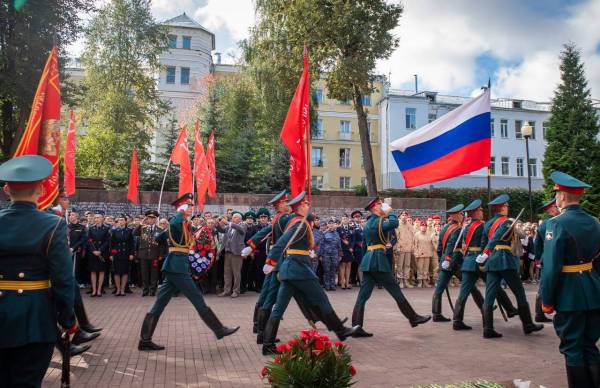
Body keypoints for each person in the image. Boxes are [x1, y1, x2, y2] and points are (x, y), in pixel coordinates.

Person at [0, 155, 77, 387]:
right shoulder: (52, 224)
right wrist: (68, 320)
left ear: (6, 189)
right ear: (42, 190)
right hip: (35, 318)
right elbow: (63, 280)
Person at [138, 193, 239, 351]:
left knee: (159, 304)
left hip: (174, 266)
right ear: (182, 208)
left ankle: (144, 340)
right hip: (177, 267)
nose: (192, 208)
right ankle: (219, 330)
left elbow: (159, 238)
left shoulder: (182, 223)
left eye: (191, 206)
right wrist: (180, 212)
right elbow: (174, 223)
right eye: (189, 206)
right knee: (197, 298)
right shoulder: (177, 220)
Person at [261, 192, 357, 355]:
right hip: (299, 269)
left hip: (290, 269)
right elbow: (283, 241)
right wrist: (270, 261)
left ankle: (268, 344)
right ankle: (341, 331)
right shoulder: (300, 223)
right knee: (321, 299)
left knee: (279, 308)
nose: (308, 206)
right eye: (306, 205)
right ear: (300, 207)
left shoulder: (295, 220)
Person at [539, 171, 600, 387]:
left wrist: (546, 299)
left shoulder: (556, 224)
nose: (556, 198)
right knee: (589, 345)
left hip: (569, 294)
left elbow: (551, 266)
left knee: (572, 348)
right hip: (593, 291)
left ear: (562, 196)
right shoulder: (595, 222)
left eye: (556, 194)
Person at [351, 198, 430, 337]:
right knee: (395, 290)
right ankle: (413, 317)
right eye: (380, 205)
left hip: (370, 260)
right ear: (375, 208)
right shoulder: (378, 221)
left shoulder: (369, 223)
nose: (383, 207)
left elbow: (364, 245)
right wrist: (391, 212)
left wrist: (365, 262)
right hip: (378, 260)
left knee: (363, 295)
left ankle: (356, 327)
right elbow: (394, 222)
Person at [476, 194, 543, 339]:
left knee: (489, 296)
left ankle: (487, 328)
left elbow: (483, 242)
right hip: (505, 260)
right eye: (506, 206)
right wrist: (486, 252)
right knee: (520, 294)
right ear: (502, 208)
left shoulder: (487, 224)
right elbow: (494, 239)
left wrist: (484, 254)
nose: (508, 208)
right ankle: (527, 324)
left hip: (493, 262)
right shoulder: (506, 222)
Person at [451, 199, 517, 331]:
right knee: (495, 286)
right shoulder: (482, 225)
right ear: (476, 212)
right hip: (480, 261)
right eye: (480, 210)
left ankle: (457, 320)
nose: (482, 212)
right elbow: (486, 242)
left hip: (468, 262)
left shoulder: (466, 227)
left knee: (463, 293)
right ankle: (509, 309)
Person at [432, 204, 485, 322]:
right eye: (461, 214)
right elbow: (451, 245)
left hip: (446, 261)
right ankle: (484, 307)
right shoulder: (458, 229)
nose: (462, 216)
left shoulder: (445, 228)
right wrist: (447, 259)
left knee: (439, 289)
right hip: (455, 261)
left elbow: (440, 247)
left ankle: (436, 313)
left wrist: (442, 260)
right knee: (470, 285)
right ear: (455, 215)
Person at [533, 199, 560, 323]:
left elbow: (537, 243)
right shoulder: (553, 222)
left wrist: (538, 258)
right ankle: (540, 313)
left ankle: (540, 313)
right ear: (553, 208)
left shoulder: (543, 223)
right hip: (552, 256)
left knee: (543, 285)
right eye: (557, 207)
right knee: (546, 285)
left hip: (545, 256)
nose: (558, 209)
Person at [134, 210, 167, 297]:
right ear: (147, 219)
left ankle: (152, 290)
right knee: (144, 273)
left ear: (156, 219)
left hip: (155, 254)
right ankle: (145, 290)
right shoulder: (143, 228)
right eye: (149, 218)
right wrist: (141, 224)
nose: (151, 220)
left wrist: (161, 255)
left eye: (153, 218)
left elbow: (163, 244)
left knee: (154, 274)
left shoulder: (160, 229)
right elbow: (134, 233)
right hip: (144, 254)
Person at [217, 212, 247, 298]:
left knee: (236, 273)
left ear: (240, 219)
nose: (233, 219)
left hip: (237, 253)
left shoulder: (243, 225)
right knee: (227, 273)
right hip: (228, 252)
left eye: (235, 217)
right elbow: (222, 230)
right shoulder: (229, 227)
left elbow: (240, 230)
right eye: (233, 217)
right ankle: (227, 290)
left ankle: (236, 291)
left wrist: (228, 223)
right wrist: (218, 222)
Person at [109, 214, 134, 296]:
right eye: (119, 220)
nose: (121, 221)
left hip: (126, 253)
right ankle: (118, 289)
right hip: (117, 254)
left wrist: (131, 253)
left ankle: (123, 290)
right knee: (116, 272)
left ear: (125, 221)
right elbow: (112, 244)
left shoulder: (129, 231)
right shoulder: (115, 231)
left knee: (124, 272)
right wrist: (111, 254)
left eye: (122, 220)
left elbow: (131, 243)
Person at [87, 211, 111, 297]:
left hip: (102, 252)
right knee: (93, 271)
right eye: (95, 217)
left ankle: (99, 290)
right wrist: (93, 250)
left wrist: (100, 250)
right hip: (93, 253)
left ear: (102, 218)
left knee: (101, 271)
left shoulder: (107, 228)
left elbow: (107, 241)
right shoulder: (91, 228)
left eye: (98, 217)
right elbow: (89, 240)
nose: (96, 219)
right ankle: (94, 290)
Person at [412, 220, 435, 288]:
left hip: (427, 254)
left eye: (425, 226)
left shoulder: (429, 235)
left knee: (426, 269)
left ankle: (425, 281)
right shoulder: (417, 234)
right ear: (420, 227)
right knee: (420, 268)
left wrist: (430, 252)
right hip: (420, 254)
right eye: (422, 226)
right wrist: (416, 253)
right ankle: (420, 281)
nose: (424, 227)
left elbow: (431, 244)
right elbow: (414, 245)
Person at [321, 219, 342, 291]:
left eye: (332, 224)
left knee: (333, 270)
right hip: (326, 254)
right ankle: (327, 285)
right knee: (326, 270)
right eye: (329, 224)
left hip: (335, 254)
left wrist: (340, 255)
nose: (331, 225)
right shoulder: (324, 233)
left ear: (334, 225)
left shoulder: (337, 233)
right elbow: (321, 245)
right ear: (327, 225)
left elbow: (339, 245)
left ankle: (332, 285)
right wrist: (320, 255)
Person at [394, 211, 414, 288]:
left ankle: (406, 280)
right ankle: (400, 280)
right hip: (401, 248)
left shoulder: (410, 225)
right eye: (403, 215)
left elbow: (413, 237)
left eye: (406, 215)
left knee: (407, 265)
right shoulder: (397, 225)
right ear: (400, 216)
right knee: (400, 265)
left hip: (408, 248)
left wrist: (412, 246)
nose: (404, 216)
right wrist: (397, 247)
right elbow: (396, 237)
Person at [338, 216, 354, 289]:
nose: (345, 220)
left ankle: (347, 283)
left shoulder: (351, 228)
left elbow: (353, 239)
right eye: (343, 219)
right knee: (342, 266)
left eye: (346, 219)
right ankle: (342, 283)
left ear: (348, 220)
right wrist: (343, 242)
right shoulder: (339, 228)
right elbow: (338, 238)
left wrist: (351, 247)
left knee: (348, 266)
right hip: (342, 249)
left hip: (349, 249)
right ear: (342, 220)